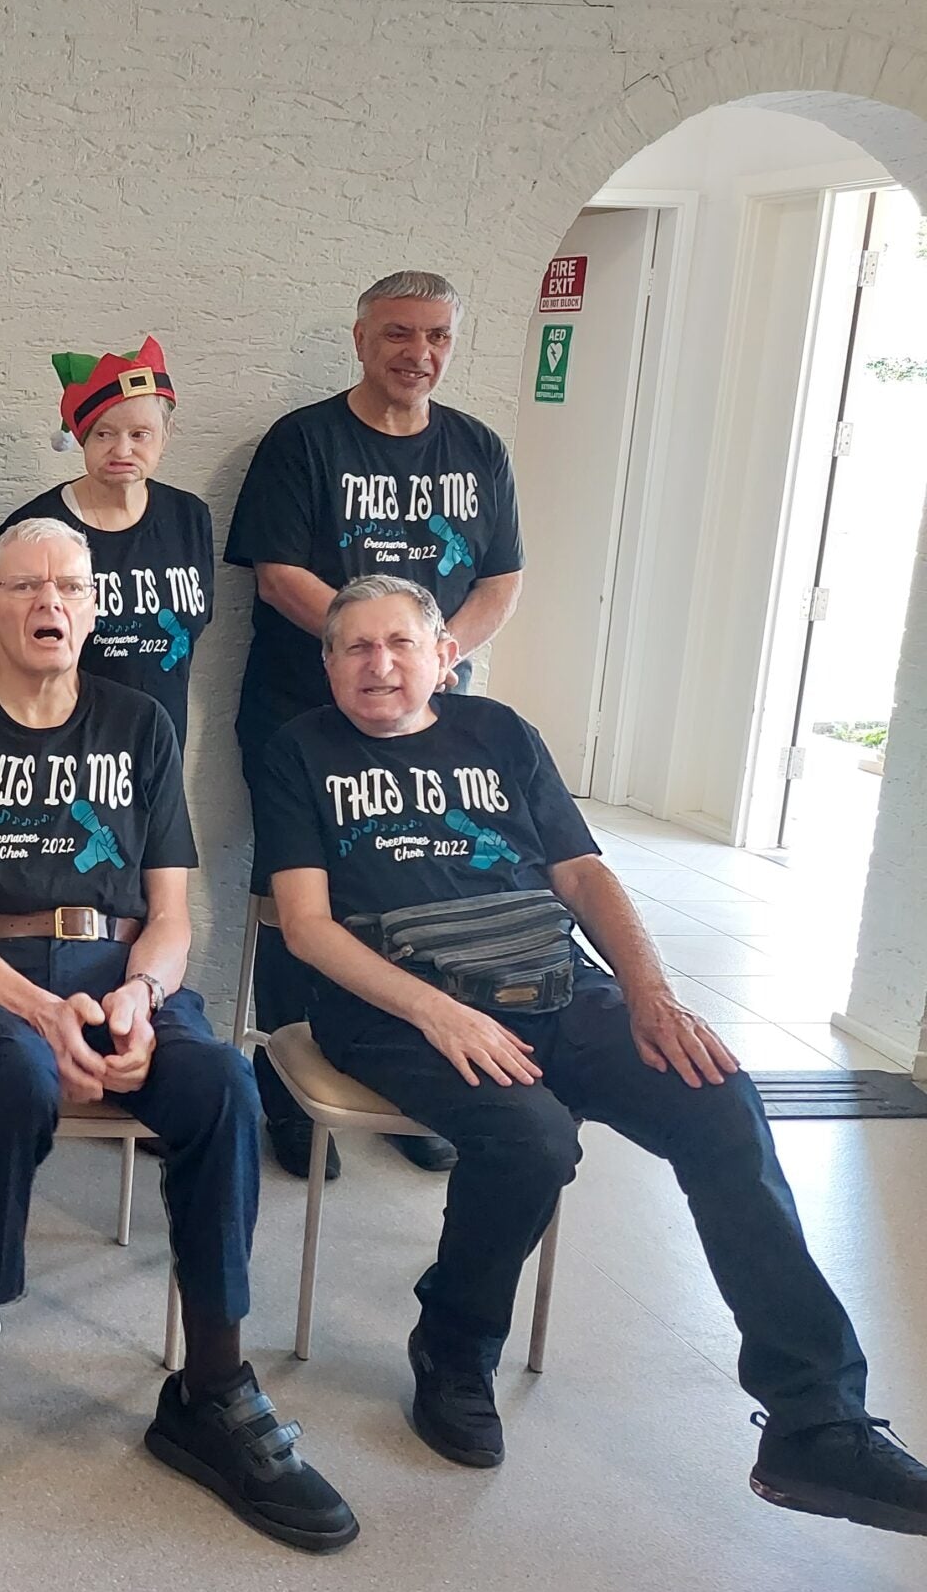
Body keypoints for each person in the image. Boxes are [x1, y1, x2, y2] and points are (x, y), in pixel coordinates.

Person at [255, 576, 927, 1534]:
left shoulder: (500, 733)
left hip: (558, 985)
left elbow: (581, 873)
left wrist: (652, 994)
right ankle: (454, 1348)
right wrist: (439, 1015)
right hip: (396, 1006)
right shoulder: (301, 750)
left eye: (400, 643)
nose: (379, 664)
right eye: (354, 647)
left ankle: (817, 1421)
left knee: (720, 1101)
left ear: (445, 656)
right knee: (530, 1140)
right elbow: (308, 927)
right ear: (327, 666)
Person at [0, 519, 353, 1552]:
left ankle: (212, 1390)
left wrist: (139, 996)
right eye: (26, 585)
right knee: (18, 1085)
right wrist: (39, 1011)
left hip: (118, 971)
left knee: (221, 1085)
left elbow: (170, 915)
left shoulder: (139, 724)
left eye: (70, 586)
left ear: (92, 609)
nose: (50, 601)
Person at [227, 271, 524, 1179]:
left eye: (437, 336)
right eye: (399, 334)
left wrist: (428, 662)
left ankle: (420, 1083)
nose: (418, 353)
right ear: (360, 340)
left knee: (421, 890)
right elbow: (278, 574)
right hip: (302, 717)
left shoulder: (478, 449)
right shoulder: (304, 442)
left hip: (433, 723)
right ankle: (285, 1091)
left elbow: (500, 579)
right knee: (298, 902)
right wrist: (380, 656)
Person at [0, 338, 215, 751]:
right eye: (104, 433)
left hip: (158, 750)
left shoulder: (189, 517)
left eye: (140, 434)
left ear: (166, 434)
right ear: (82, 437)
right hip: (61, 754)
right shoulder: (34, 530)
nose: (122, 449)